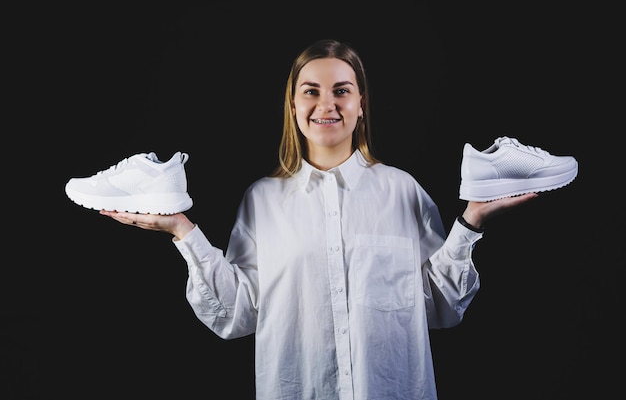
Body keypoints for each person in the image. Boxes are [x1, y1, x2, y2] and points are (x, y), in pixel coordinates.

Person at [100, 39, 537, 399]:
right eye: (311, 90)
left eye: (341, 90)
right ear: (293, 105)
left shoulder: (403, 190)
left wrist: (472, 221)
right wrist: (183, 230)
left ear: (361, 104)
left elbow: (439, 306)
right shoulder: (262, 200)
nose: (326, 104)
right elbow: (237, 313)